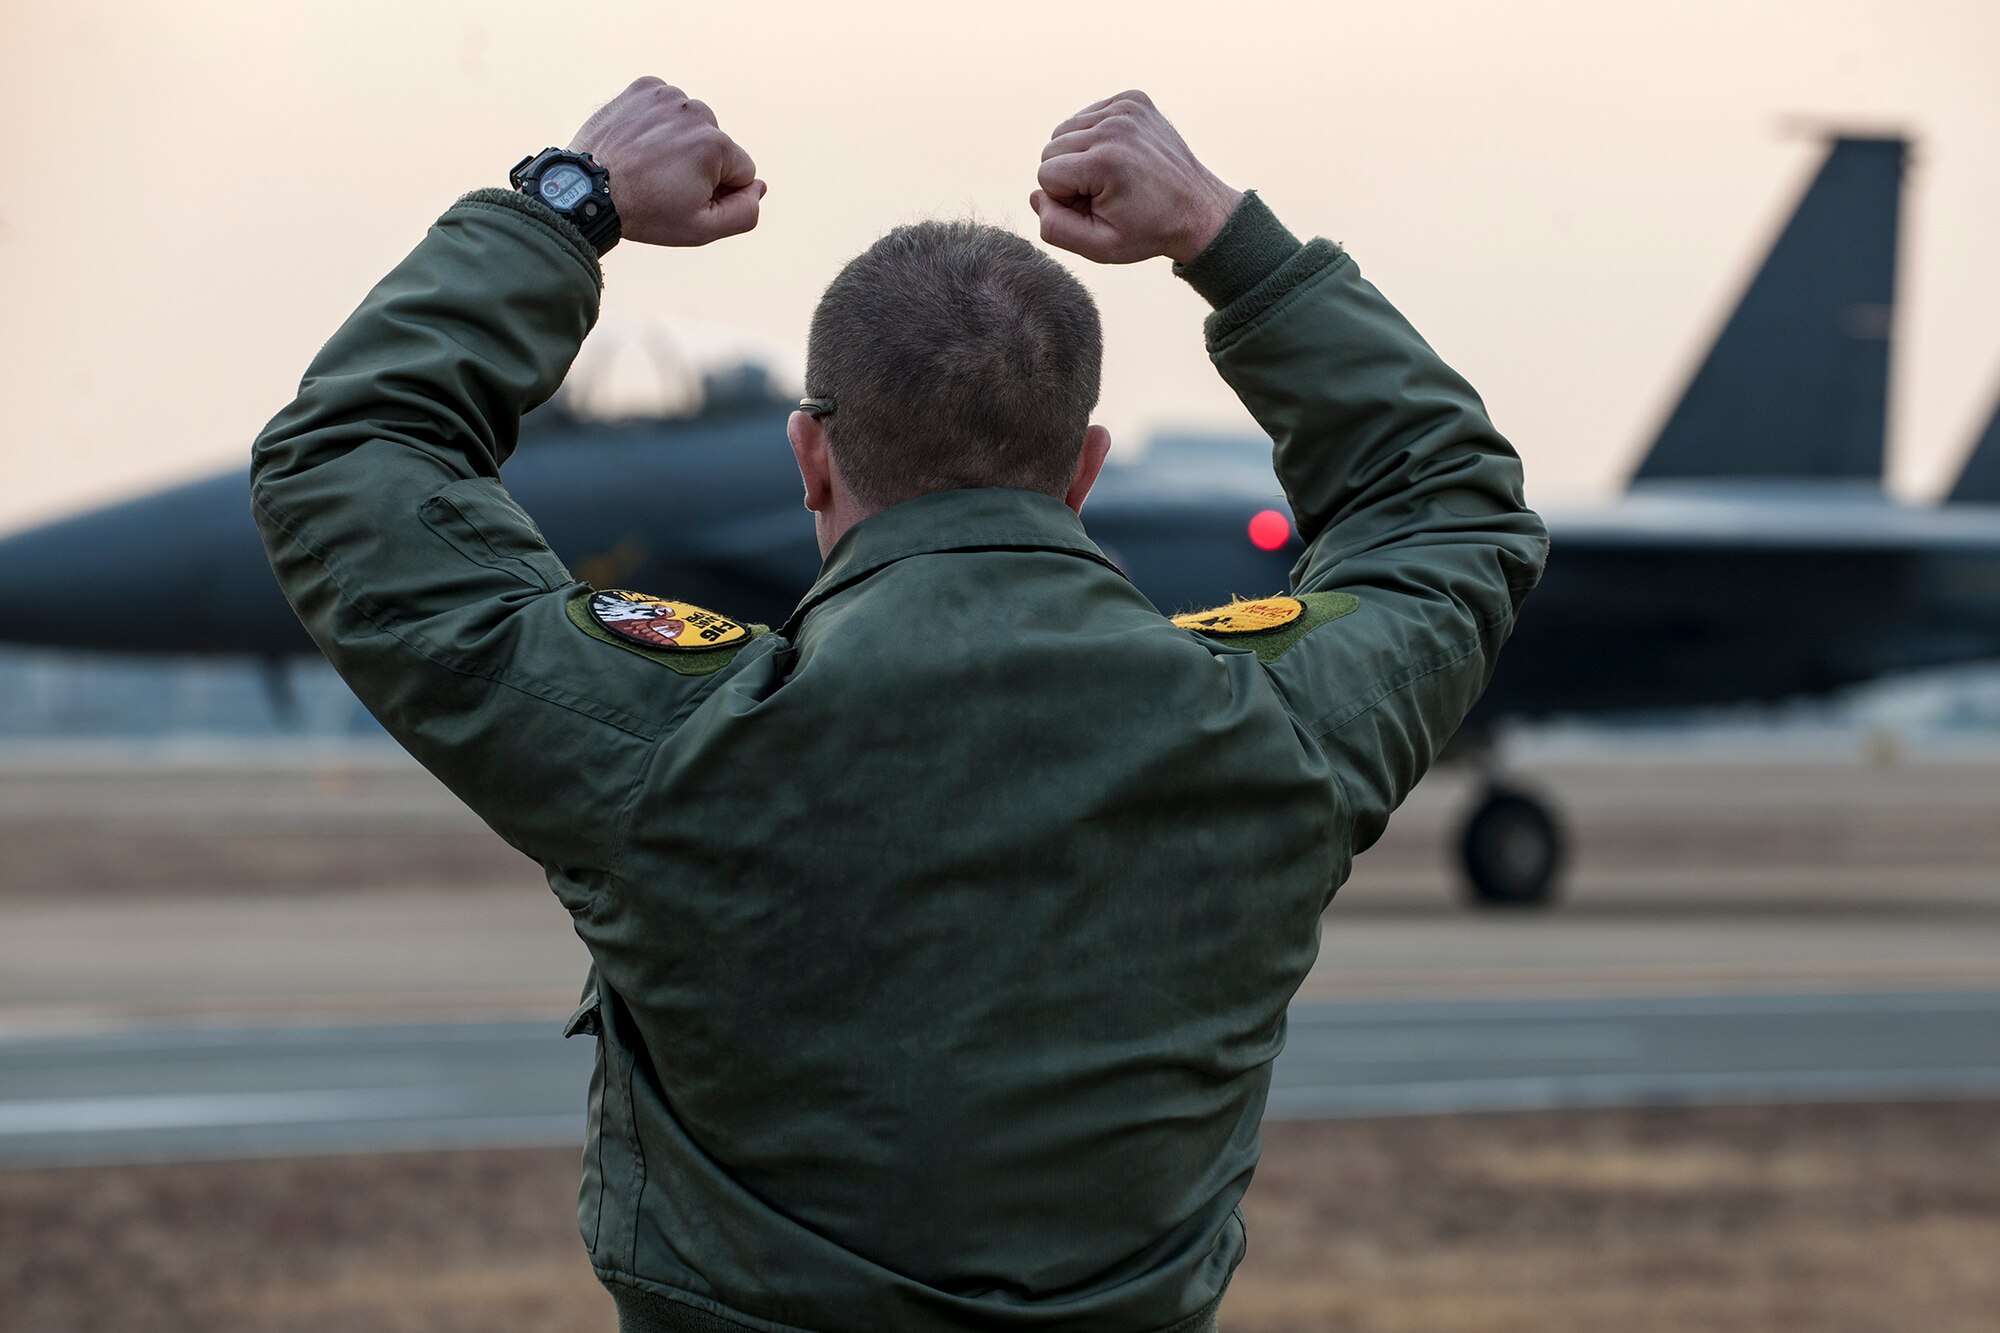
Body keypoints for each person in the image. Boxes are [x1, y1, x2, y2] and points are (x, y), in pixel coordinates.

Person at [253, 77, 1545, 1333]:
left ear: (811, 452)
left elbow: (344, 464)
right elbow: (1445, 508)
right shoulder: (1271, 731)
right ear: (1082, 469)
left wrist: (565, 203)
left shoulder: (669, 737)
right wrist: (1227, 241)